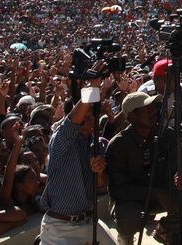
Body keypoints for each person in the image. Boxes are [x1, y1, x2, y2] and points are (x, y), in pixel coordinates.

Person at [106, 91, 182, 245]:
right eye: (147, 109)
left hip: (164, 193)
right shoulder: (118, 145)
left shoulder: (167, 135)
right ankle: (126, 238)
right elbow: (118, 190)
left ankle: (167, 232)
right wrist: (155, 193)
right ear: (132, 117)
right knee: (129, 216)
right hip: (134, 201)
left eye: (154, 107)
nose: (153, 112)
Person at [38, 65, 115, 245]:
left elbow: (101, 184)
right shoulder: (61, 139)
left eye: (91, 115)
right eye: (84, 115)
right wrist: (93, 87)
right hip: (60, 227)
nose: (89, 119)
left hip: (89, 220)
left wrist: (100, 171)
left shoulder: (95, 144)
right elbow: (72, 122)